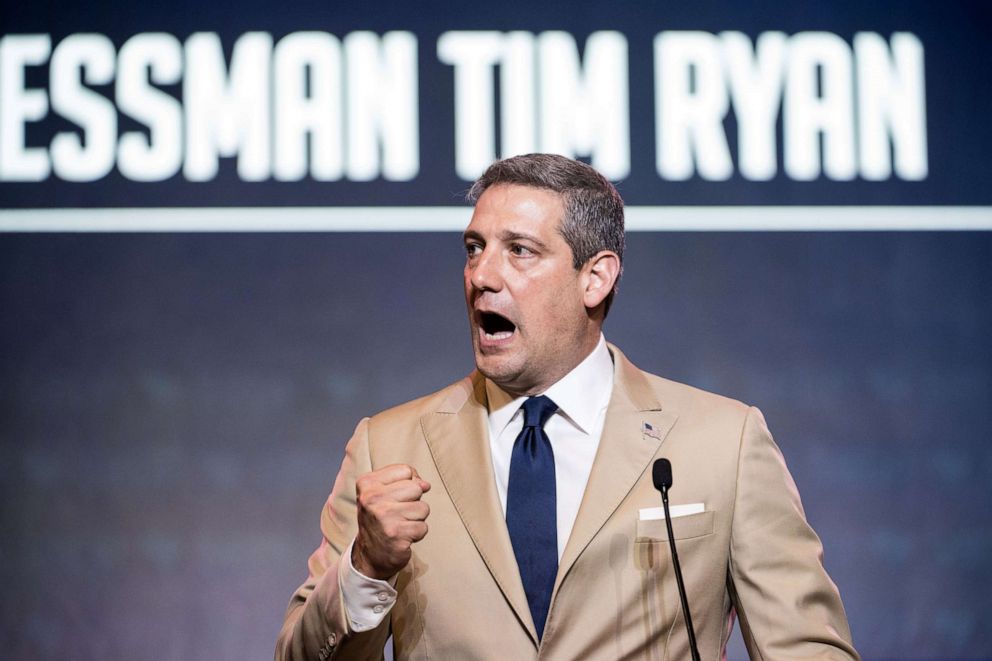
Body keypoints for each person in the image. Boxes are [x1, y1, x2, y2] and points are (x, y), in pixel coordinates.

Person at [275, 154, 858, 660]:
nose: (481, 275)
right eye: (474, 249)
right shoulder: (388, 445)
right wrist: (366, 567)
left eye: (519, 251)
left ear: (595, 279)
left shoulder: (723, 442)